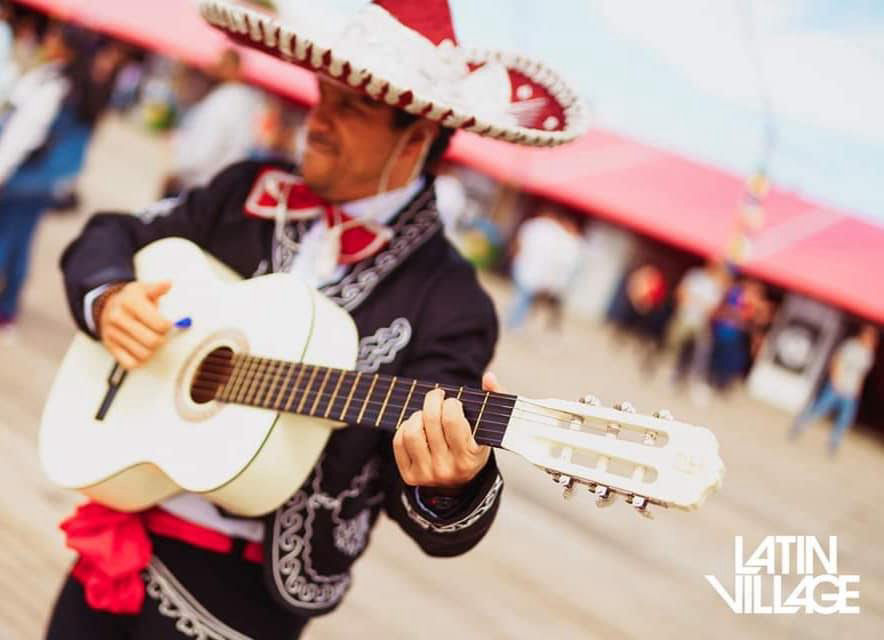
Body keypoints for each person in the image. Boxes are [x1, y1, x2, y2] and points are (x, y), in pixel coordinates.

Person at [45, 1, 585, 638]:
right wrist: (110, 298)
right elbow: (111, 236)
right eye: (324, 96)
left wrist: (452, 483)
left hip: (237, 600)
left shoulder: (451, 302)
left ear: (415, 138)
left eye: (351, 107)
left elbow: (419, 503)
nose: (318, 120)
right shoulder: (248, 189)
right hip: (116, 518)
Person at [0, 25, 118, 336]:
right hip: (45, 181)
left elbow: (25, 133)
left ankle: (8, 308)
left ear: (66, 47)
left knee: (7, 242)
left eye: (54, 37)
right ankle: (8, 309)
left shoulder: (56, 84)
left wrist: (2, 169)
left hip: (23, 177)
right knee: (19, 243)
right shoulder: (80, 87)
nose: (48, 41)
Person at [161, 48, 264, 197]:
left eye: (222, 64)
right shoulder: (240, 99)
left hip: (199, 185)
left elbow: (205, 149)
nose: (216, 68)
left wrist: (180, 170)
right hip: (214, 186)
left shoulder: (228, 100)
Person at [790, 324, 878, 454]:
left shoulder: (868, 354)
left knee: (845, 419)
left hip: (851, 391)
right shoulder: (850, 346)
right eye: (869, 337)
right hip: (837, 386)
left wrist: (858, 389)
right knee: (819, 409)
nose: (871, 341)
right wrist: (835, 380)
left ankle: (834, 444)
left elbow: (861, 374)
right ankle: (799, 427)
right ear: (863, 335)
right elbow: (836, 361)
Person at [506, 208, 583, 331]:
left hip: (528, 266)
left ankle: (515, 321)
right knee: (524, 296)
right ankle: (516, 321)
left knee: (523, 295)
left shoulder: (538, 227)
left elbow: (520, 242)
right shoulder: (554, 233)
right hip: (534, 269)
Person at [669, 261, 729, 387]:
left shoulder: (717, 286)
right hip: (685, 317)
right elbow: (681, 294)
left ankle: (694, 379)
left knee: (702, 350)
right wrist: (698, 302)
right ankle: (674, 376)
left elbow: (712, 309)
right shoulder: (695, 276)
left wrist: (696, 300)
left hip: (700, 322)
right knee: (677, 347)